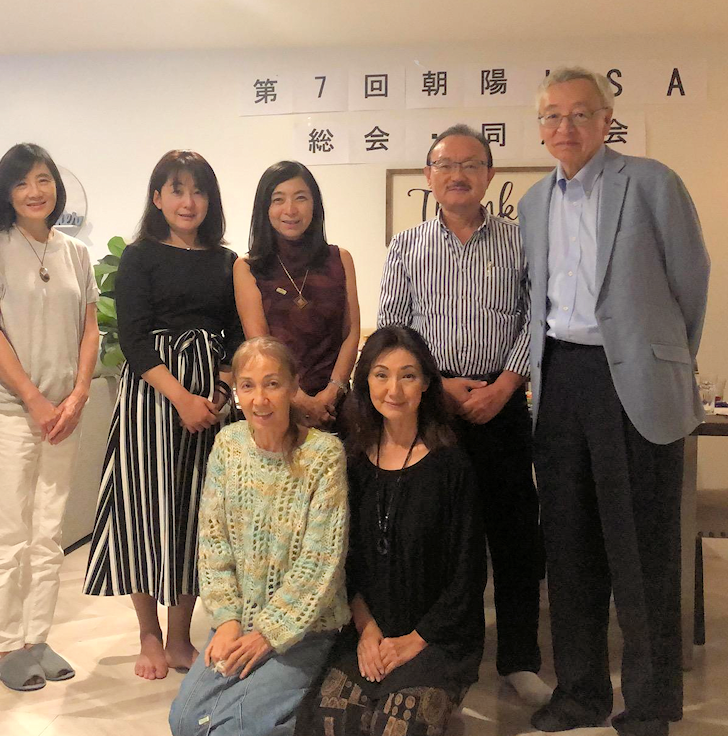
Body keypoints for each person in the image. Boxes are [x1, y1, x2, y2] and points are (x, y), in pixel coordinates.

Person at [518, 67, 710, 736]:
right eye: (551, 116)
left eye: (580, 114)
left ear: (606, 121)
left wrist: (659, 360)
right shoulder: (533, 203)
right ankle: (581, 693)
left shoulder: (651, 183)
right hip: (560, 379)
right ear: (540, 129)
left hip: (633, 382)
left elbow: (691, 282)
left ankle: (651, 703)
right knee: (569, 548)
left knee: (644, 550)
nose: (564, 127)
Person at [378, 124, 550, 706]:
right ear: (428, 175)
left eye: (470, 164)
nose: (457, 174)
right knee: (442, 539)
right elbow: (394, 331)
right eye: (445, 164)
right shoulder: (406, 246)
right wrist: (438, 386)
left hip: (503, 405)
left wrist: (506, 384)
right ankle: (446, 655)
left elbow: (537, 318)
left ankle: (519, 659)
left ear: (489, 174)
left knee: (515, 535)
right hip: (434, 412)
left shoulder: (520, 241)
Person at [83, 150, 243, 680]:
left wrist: (218, 394)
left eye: (198, 191)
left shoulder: (226, 261)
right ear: (157, 197)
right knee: (144, 511)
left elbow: (236, 334)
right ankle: (149, 635)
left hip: (211, 397)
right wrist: (181, 398)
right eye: (176, 189)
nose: (188, 201)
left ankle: (179, 637)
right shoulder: (139, 256)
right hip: (153, 397)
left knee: (197, 514)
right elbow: (132, 337)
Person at [299, 325, 486, 736]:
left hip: (438, 636)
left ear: (426, 384)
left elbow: (468, 575)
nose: (394, 390)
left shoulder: (452, 466)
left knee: (395, 726)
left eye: (408, 375)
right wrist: (367, 631)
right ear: (365, 382)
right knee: (331, 721)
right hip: (368, 629)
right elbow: (342, 563)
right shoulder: (351, 462)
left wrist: (414, 640)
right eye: (381, 375)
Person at [169, 336, 350, 736]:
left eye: (272, 384)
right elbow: (213, 544)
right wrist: (227, 620)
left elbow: (320, 563)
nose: (260, 399)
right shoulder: (228, 446)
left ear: (293, 387)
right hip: (238, 624)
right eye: (247, 386)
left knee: (236, 726)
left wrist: (268, 633)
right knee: (184, 722)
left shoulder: (323, 455)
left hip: (304, 630)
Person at [0, 143, 99, 690]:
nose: (34, 191)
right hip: (10, 409)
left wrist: (78, 394)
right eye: (22, 182)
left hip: (64, 412)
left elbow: (90, 329)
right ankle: (5, 645)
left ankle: (36, 638)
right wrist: (34, 399)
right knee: (8, 531)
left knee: (49, 532)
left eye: (43, 179)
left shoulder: (75, 252)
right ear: (7, 192)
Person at [234, 161, 360, 429]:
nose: (290, 210)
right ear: (264, 208)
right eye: (278, 199)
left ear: (315, 205)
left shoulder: (341, 259)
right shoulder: (247, 267)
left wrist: (333, 391)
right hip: (277, 405)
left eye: (300, 198)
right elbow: (262, 346)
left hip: (337, 406)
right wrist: (299, 400)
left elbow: (351, 332)